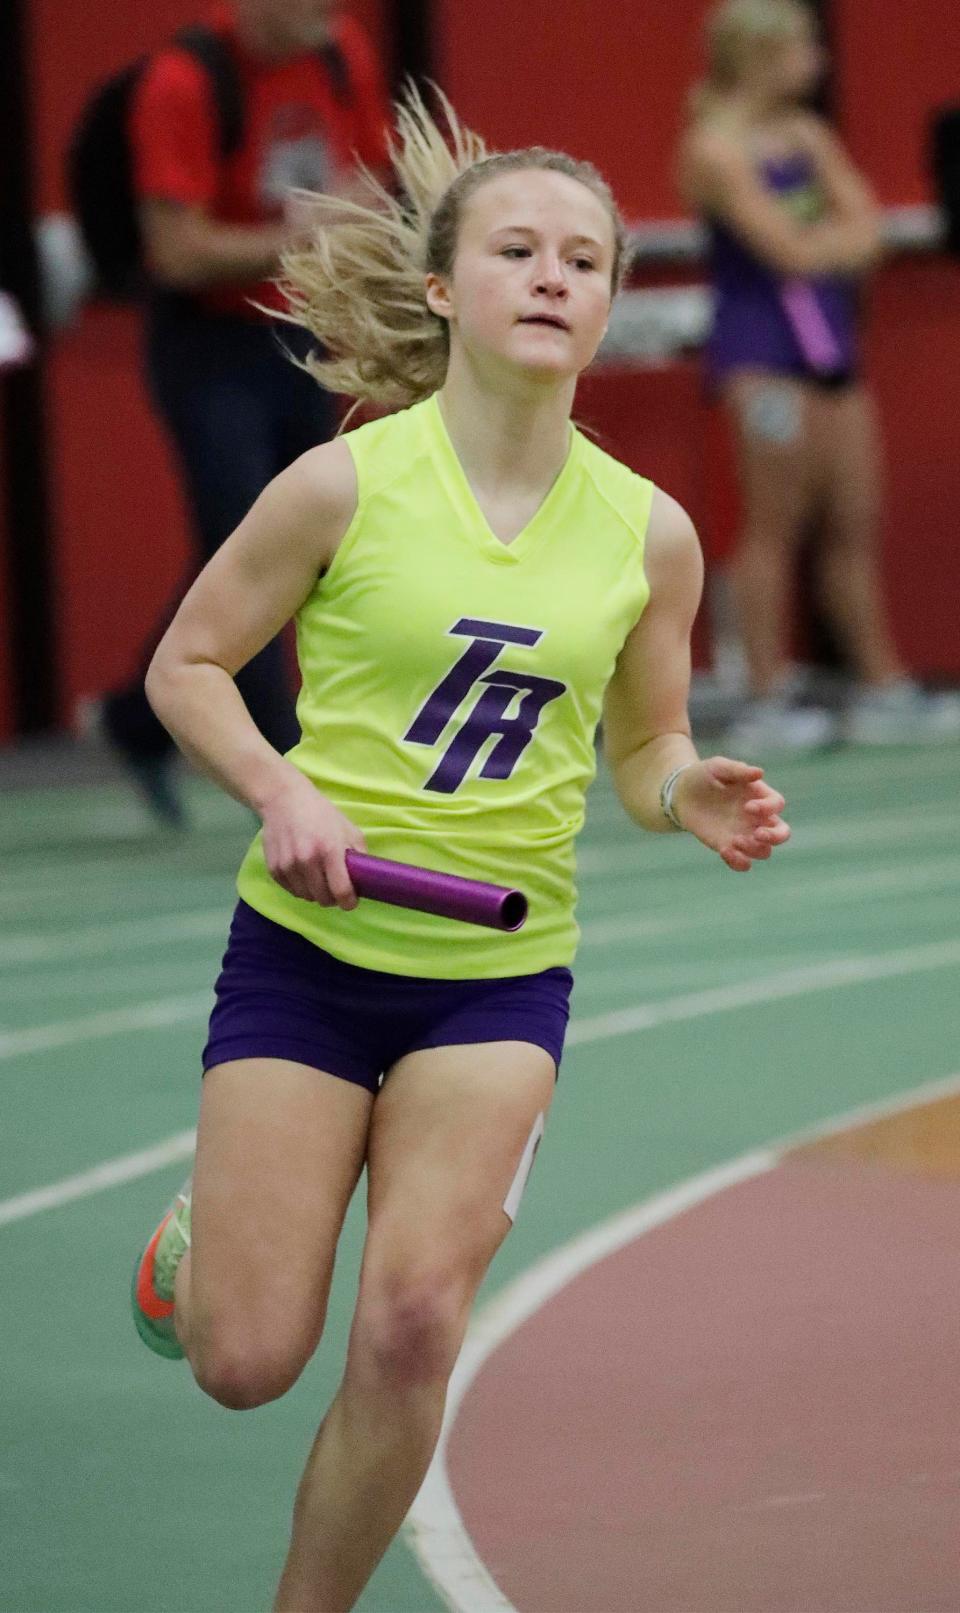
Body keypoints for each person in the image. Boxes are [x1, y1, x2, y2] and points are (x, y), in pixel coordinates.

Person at [130, 90, 791, 1612]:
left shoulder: (649, 534)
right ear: (445, 288)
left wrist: (680, 787)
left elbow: (643, 742)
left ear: (613, 302)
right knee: (245, 1360)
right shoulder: (344, 485)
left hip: (496, 977)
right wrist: (281, 791)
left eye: (585, 258)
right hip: (307, 955)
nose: (555, 275)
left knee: (415, 1319)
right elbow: (187, 665)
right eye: (518, 249)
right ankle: (207, 1233)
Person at [100, 0, 391, 823]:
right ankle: (289, 774)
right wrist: (306, 230)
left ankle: (136, 718)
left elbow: (370, 181)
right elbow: (178, 250)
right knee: (245, 539)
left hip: (299, 329)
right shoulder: (186, 80)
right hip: (208, 344)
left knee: (302, 543)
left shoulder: (339, 53)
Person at [678, 0, 960, 750]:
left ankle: (881, 682)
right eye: (802, 46)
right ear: (760, 53)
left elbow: (864, 228)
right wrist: (827, 240)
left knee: (853, 517)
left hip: (832, 352)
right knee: (772, 524)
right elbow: (788, 251)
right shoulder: (714, 148)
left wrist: (823, 240)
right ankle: (765, 692)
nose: (818, 60)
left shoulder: (806, 134)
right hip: (762, 360)